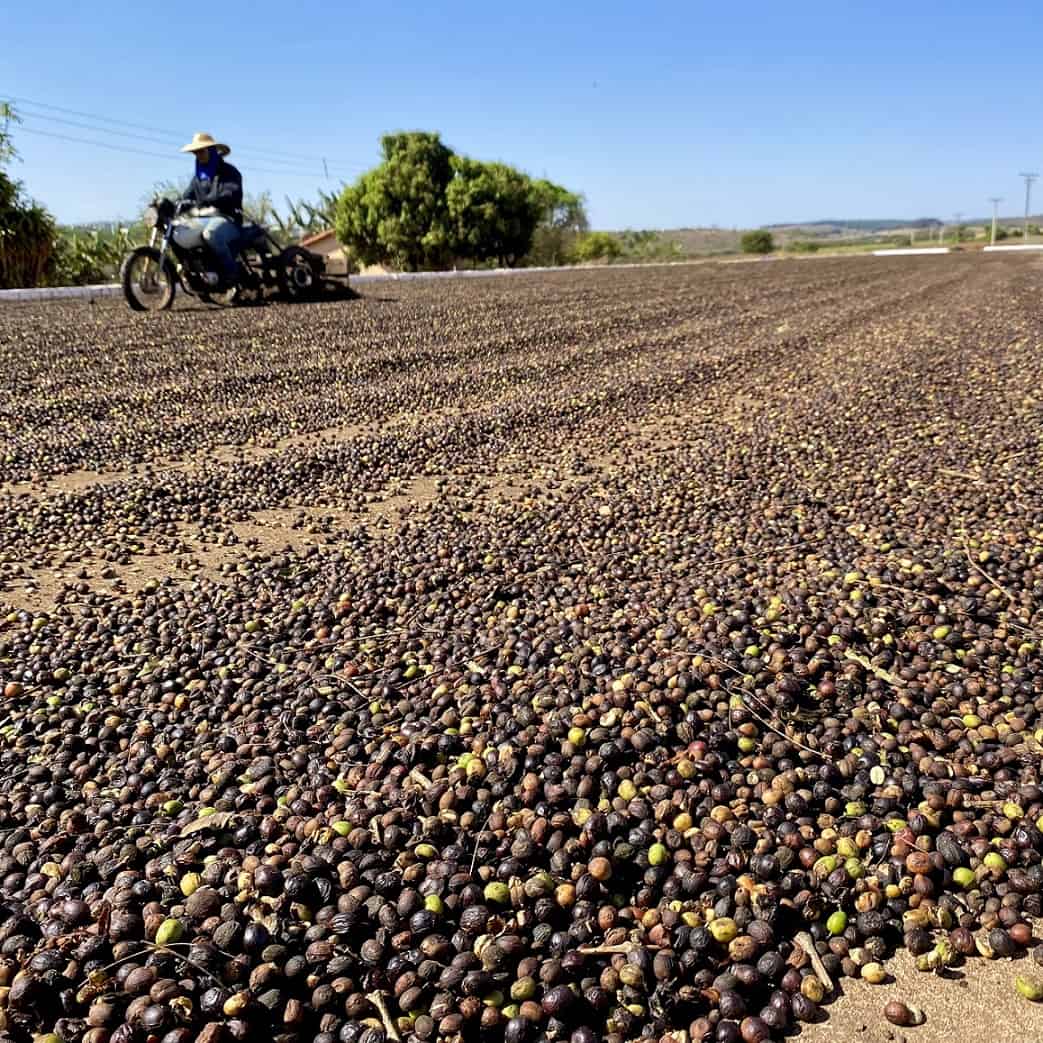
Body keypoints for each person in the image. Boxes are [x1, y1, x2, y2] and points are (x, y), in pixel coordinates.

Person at [179, 132, 243, 288]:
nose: (198, 155)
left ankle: (231, 273)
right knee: (181, 231)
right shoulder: (197, 179)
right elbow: (186, 197)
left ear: (212, 151)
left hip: (228, 218)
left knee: (210, 234)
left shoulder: (229, 172)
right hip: (203, 218)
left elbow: (231, 193)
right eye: (196, 152)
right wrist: (176, 204)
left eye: (202, 151)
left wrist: (207, 201)